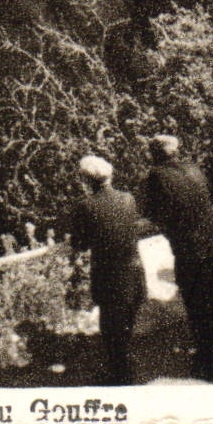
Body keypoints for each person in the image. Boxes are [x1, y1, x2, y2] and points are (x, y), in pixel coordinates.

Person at [141, 135, 213, 382]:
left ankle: (207, 361)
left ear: (154, 154)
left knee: (198, 305)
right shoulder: (193, 168)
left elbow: (153, 215)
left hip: (191, 250)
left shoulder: (154, 178)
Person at [68, 154, 147, 385]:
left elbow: (79, 244)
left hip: (109, 277)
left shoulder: (86, 205)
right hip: (133, 272)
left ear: (86, 180)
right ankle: (125, 371)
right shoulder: (128, 199)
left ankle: (119, 377)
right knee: (125, 328)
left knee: (111, 332)